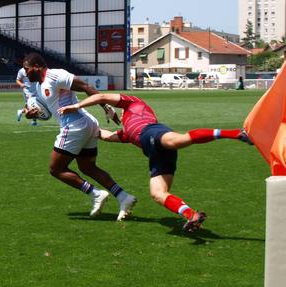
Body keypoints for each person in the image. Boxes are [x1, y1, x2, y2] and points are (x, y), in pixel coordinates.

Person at [58, 93, 253, 232]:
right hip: (158, 155)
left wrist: (76, 107)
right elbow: (107, 136)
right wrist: (88, 126)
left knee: (178, 139)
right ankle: (191, 215)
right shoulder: (127, 132)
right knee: (158, 194)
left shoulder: (133, 103)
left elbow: (100, 97)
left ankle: (235, 133)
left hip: (153, 133)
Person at [22, 52, 137, 220]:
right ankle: (123, 197)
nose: (25, 73)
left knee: (56, 169)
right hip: (87, 124)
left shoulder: (55, 75)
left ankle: (96, 194)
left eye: (27, 69)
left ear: (37, 67)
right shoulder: (39, 86)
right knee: (87, 167)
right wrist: (30, 114)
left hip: (74, 126)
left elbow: (85, 86)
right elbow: (44, 112)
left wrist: (107, 108)